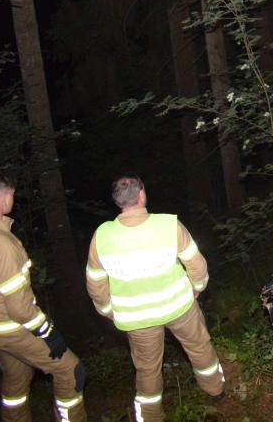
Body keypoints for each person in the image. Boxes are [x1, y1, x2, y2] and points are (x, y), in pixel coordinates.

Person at [85, 175, 224, 422]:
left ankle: (150, 416)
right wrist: (197, 288)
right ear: (142, 195)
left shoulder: (102, 236)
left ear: (118, 202)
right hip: (179, 306)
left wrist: (109, 310)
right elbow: (196, 264)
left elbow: (95, 285)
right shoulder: (168, 225)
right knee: (199, 347)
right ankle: (215, 391)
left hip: (137, 319)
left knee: (147, 369)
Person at [0, 171, 86, 422]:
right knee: (71, 370)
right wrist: (47, 332)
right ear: (5, 198)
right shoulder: (3, 244)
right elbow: (20, 308)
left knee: (16, 378)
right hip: (7, 327)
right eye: (12, 196)